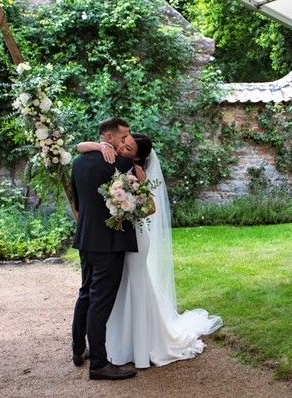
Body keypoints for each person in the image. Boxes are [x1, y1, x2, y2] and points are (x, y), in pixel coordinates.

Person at [77, 134, 223, 369]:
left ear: (137, 156)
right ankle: (120, 345)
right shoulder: (111, 158)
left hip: (135, 237)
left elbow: (151, 208)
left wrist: (125, 209)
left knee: (135, 284)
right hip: (118, 238)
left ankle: (143, 347)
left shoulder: (136, 171)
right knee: (120, 288)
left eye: (129, 146)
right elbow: (81, 146)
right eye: (124, 140)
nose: (123, 146)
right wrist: (101, 145)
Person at [71, 117, 138, 380]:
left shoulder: (78, 163)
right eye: (123, 137)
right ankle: (98, 363)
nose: (126, 141)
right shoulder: (120, 164)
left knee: (86, 293)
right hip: (108, 244)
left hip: (85, 239)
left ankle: (79, 349)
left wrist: (92, 146)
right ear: (109, 138)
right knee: (100, 302)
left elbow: (78, 203)